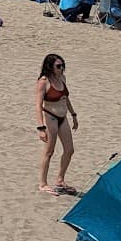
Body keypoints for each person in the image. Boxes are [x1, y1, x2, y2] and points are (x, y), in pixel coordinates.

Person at [35, 54, 79, 195]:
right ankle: (43, 184)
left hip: (63, 118)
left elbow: (65, 98)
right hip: (50, 118)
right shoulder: (43, 82)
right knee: (49, 152)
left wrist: (74, 115)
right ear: (50, 66)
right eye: (58, 66)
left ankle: (60, 180)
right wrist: (41, 128)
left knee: (69, 150)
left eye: (62, 65)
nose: (61, 68)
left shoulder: (62, 78)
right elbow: (38, 105)